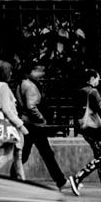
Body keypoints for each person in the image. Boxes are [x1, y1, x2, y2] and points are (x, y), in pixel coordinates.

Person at [18, 62, 69, 191]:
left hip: (28, 123)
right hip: (33, 125)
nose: (42, 74)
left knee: (27, 154)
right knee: (46, 153)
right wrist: (42, 119)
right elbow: (31, 107)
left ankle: (60, 180)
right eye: (39, 71)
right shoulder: (30, 86)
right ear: (32, 71)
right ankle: (60, 181)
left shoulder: (22, 83)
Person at [65, 71, 101, 196]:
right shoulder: (93, 92)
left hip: (85, 127)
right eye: (97, 79)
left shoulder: (80, 91)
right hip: (95, 128)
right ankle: (77, 178)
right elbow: (100, 108)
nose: (98, 81)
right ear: (92, 78)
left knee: (100, 155)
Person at [0, 60, 26, 179]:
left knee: (17, 156)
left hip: (5, 125)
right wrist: (21, 125)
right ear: (4, 72)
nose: (11, 74)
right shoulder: (3, 86)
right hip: (10, 126)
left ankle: (23, 182)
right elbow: (7, 109)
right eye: (9, 71)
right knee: (9, 156)